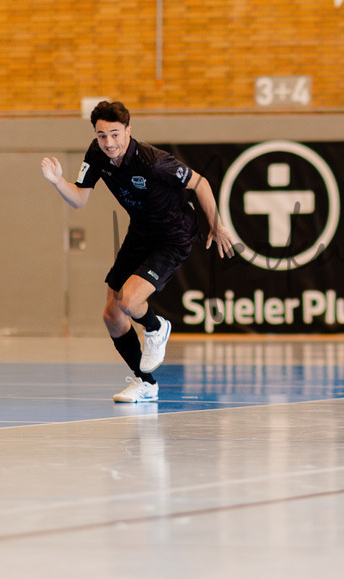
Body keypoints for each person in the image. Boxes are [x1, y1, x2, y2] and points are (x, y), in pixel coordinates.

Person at [41, 101, 234, 402]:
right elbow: (79, 199)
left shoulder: (153, 161)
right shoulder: (96, 153)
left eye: (115, 134)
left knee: (130, 300)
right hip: (141, 233)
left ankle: (157, 328)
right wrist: (57, 182)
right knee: (112, 315)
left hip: (173, 235)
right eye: (102, 135)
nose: (109, 142)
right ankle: (146, 383)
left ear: (128, 131)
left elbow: (200, 182)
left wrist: (217, 225)